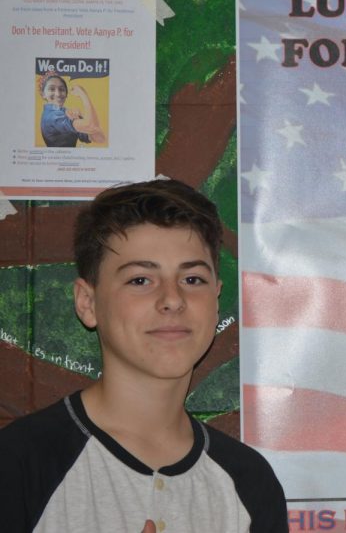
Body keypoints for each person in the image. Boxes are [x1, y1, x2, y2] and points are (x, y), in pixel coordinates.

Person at [0, 179, 288, 532]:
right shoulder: (19, 463)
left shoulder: (249, 480)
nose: (172, 299)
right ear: (87, 303)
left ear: (216, 299)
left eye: (193, 279)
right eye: (140, 280)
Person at [38, 70, 107, 147]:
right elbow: (92, 126)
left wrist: (79, 118)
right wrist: (83, 94)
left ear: (66, 94)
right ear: (43, 94)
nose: (58, 94)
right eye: (51, 89)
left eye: (61, 89)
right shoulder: (52, 116)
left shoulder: (65, 113)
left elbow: (100, 139)